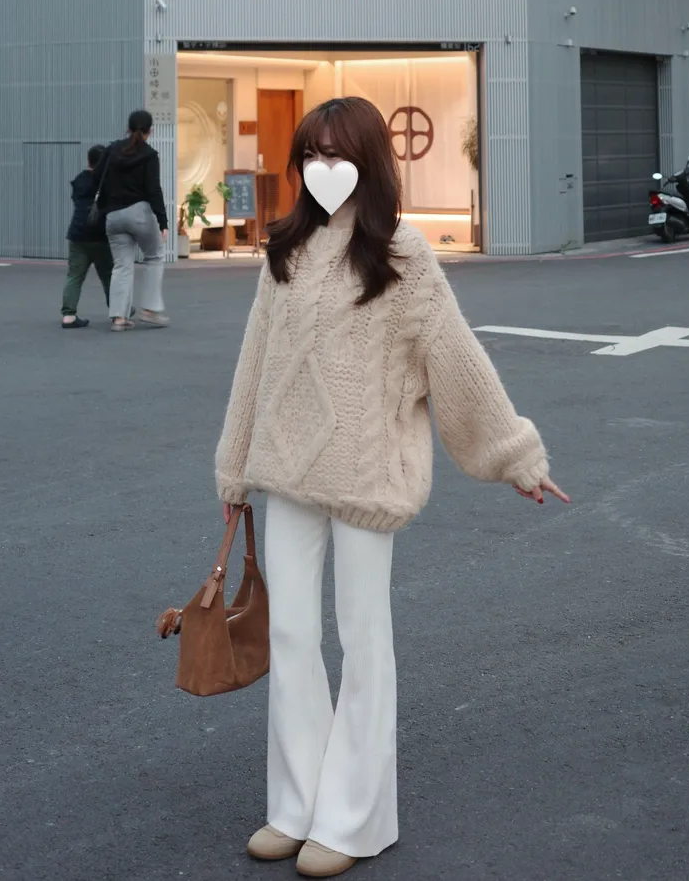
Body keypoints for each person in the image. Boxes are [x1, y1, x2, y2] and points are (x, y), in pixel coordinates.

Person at [215, 97, 569, 880]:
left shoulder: (402, 253)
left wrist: (515, 454)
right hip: (286, 469)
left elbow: (456, 357)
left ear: (370, 162)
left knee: (362, 638)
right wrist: (233, 466)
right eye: (311, 153)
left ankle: (354, 817)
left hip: (370, 474)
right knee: (291, 635)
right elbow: (254, 363)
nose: (323, 167)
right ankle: (296, 806)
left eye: (338, 154)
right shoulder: (286, 249)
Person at [95, 110, 169, 332]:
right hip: (139, 213)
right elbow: (154, 190)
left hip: (113, 215)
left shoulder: (111, 150)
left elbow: (96, 177)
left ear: (128, 128)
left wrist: (106, 204)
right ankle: (150, 309)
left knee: (122, 265)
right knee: (154, 256)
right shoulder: (149, 155)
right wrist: (163, 222)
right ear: (150, 131)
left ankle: (119, 317)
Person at [61, 145, 114, 329]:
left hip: (77, 234)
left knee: (74, 276)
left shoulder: (79, 180)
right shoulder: (107, 182)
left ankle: (68, 315)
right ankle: (118, 311)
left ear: (88, 161)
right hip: (100, 235)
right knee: (108, 275)